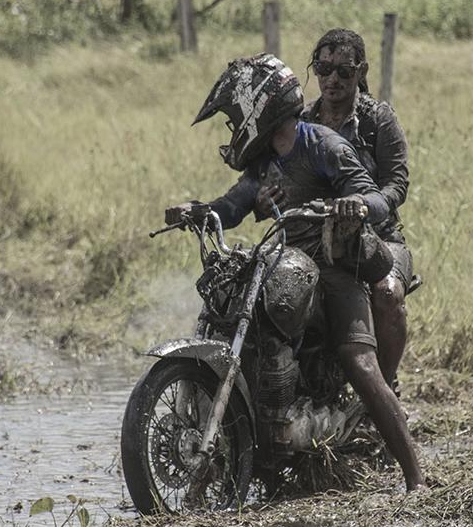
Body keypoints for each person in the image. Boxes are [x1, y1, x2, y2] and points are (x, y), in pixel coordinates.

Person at [166, 53, 426, 492]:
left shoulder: (323, 144)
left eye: (236, 118)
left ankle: (415, 475)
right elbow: (233, 205)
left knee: (360, 363)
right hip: (284, 261)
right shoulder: (264, 161)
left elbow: (374, 194)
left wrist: (355, 204)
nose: (234, 129)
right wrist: (199, 211)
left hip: (335, 268)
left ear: (261, 107)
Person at [301, 28, 414, 393]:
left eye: (344, 71)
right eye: (323, 68)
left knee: (387, 294)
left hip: (381, 240)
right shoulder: (302, 124)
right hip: (317, 242)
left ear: (361, 71)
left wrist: (365, 205)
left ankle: (384, 391)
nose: (332, 79)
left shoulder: (377, 119)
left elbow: (398, 184)